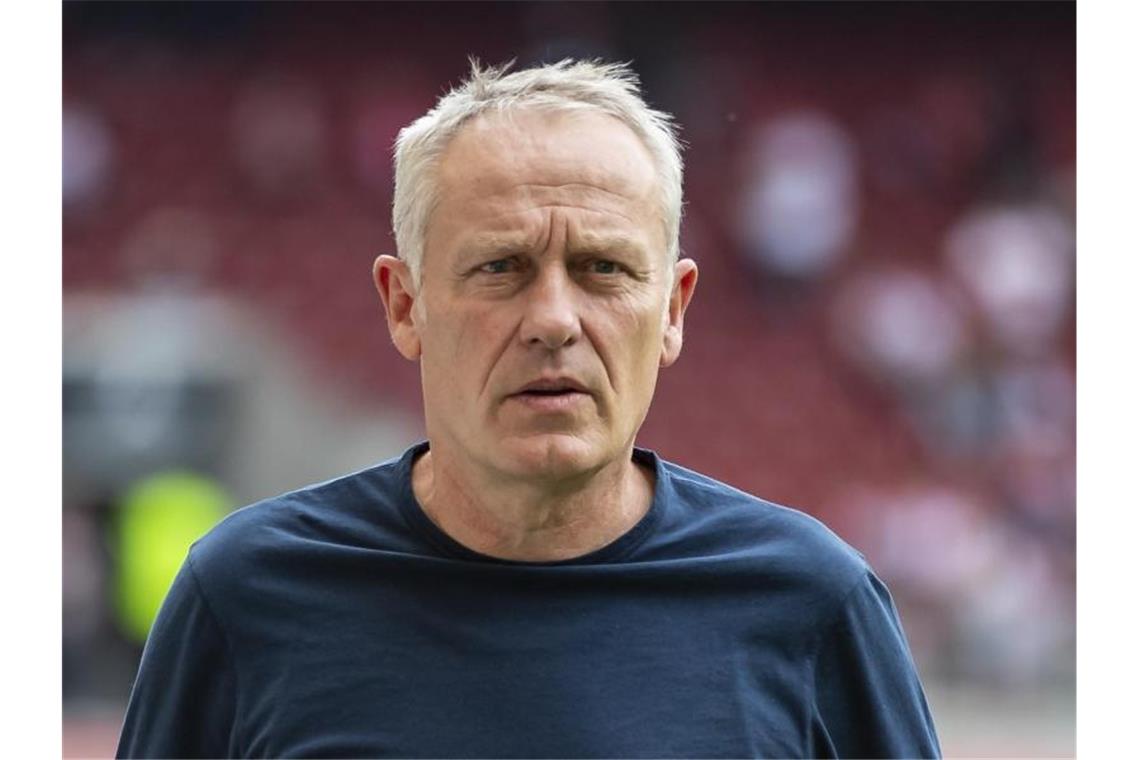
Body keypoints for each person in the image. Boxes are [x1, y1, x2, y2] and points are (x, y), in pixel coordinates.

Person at [117, 59, 941, 759]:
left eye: (604, 269)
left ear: (675, 311)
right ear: (404, 306)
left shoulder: (808, 603)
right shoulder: (246, 596)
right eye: (502, 266)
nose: (553, 320)